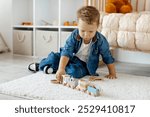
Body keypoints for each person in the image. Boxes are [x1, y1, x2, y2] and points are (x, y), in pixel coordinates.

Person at [28, 6, 117, 82]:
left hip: (85, 64)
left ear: (97, 27)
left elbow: (107, 56)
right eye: (82, 30)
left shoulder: (101, 40)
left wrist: (112, 73)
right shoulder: (75, 35)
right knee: (54, 57)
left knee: (75, 72)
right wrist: (61, 68)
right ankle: (42, 65)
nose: (86, 34)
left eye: (91, 31)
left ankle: (54, 68)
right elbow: (67, 51)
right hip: (70, 58)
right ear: (77, 25)